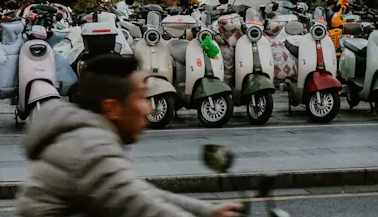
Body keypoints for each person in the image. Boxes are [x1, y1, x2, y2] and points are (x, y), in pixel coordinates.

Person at [18, 54, 242, 217]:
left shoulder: (86, 136)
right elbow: (141, 207)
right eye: (142, 97)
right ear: (112, 108)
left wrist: (208, 212)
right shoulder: (89, 147)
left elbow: (140, 192)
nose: (150, 108)